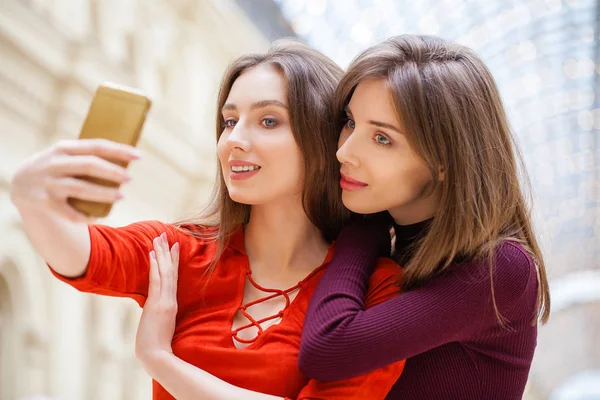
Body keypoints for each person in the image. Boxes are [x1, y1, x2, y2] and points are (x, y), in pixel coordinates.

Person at [9, 40, 405, 400]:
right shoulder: (185, 253)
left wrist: (160, 360)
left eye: (268, 121)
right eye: (230, 121)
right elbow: (87, 254)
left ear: (321, 138)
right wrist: (31, 200)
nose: (233, 140)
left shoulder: (377, 288)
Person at [297, 35, 551, 400]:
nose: (343, 151)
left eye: (382, 138)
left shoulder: (502, 268)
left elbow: (329, 346)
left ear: (445, 163)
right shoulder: (396, 239)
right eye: (350, 122)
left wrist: (361, 230)